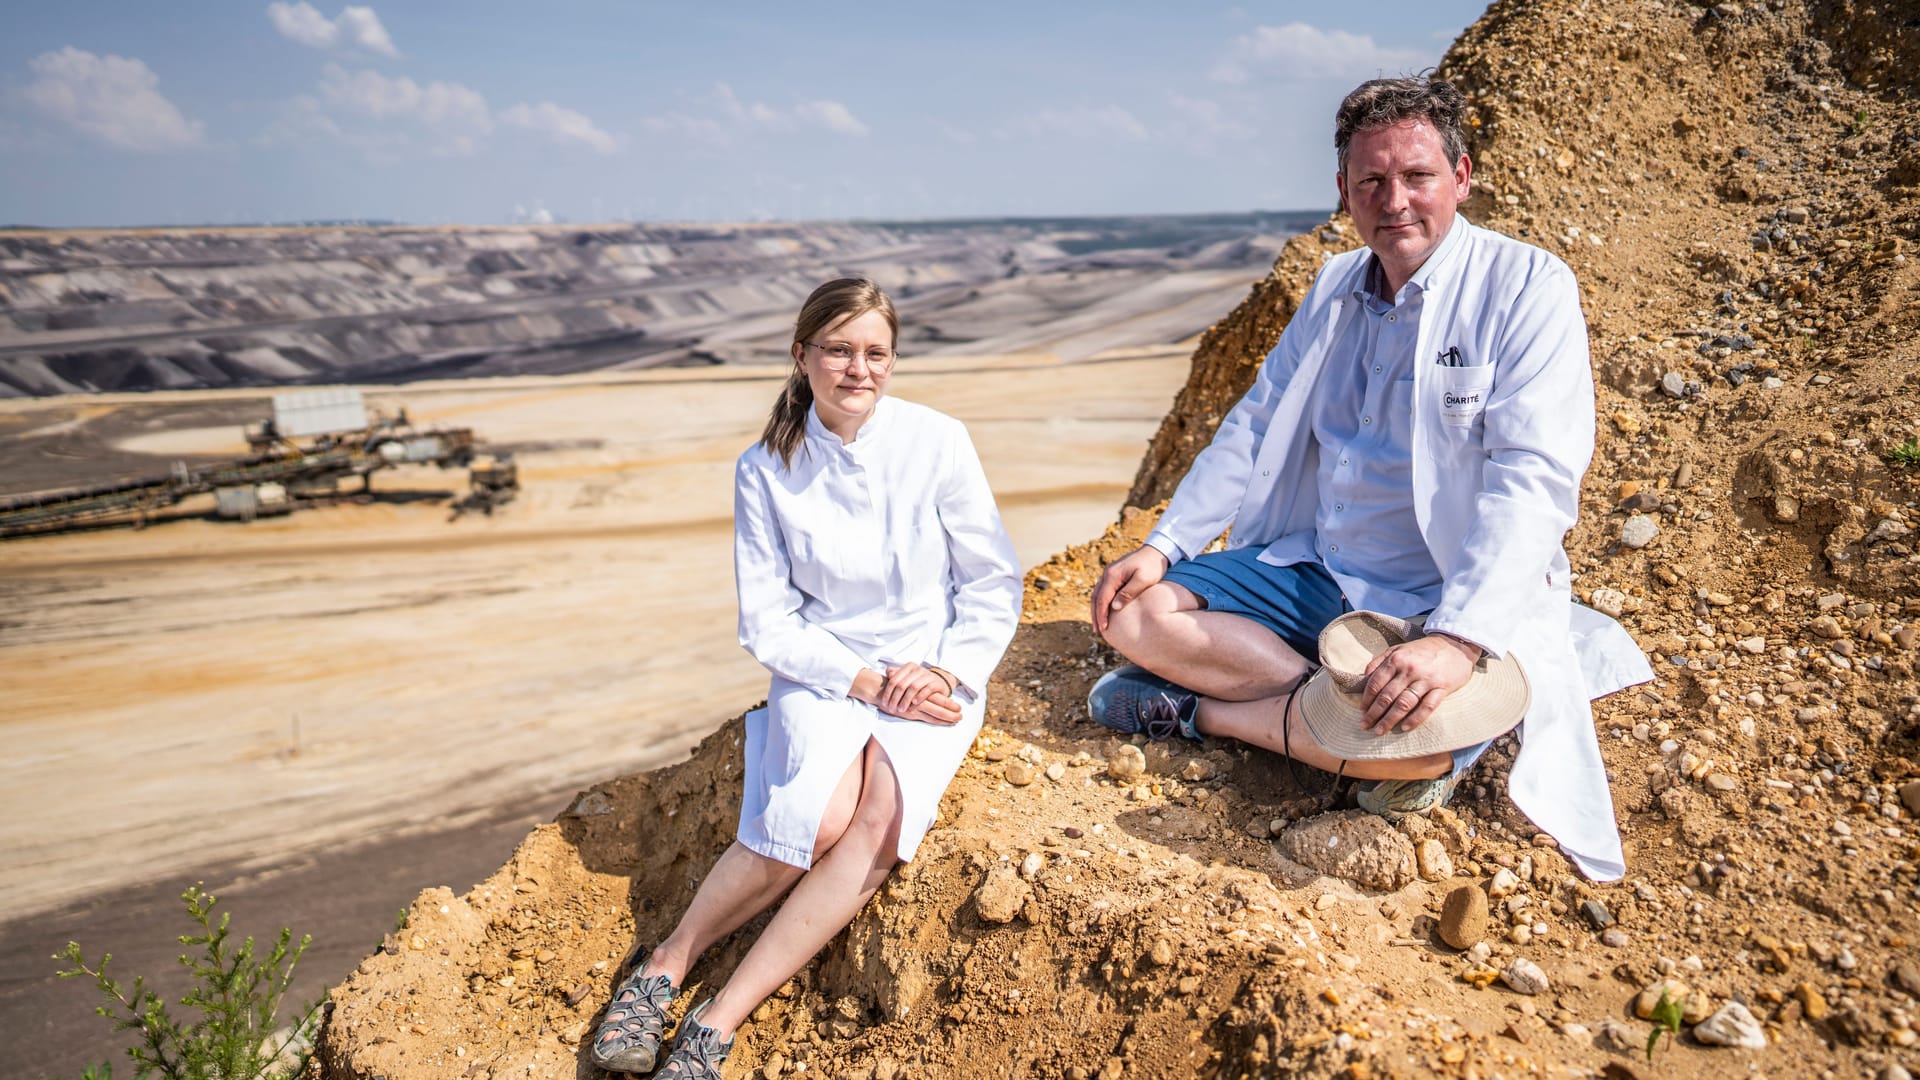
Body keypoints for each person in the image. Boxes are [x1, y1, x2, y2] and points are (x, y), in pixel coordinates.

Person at [1086, 76, 1649, 882]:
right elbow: (1254, 421)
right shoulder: (1333, 288)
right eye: (1371, 181)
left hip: (1433, 595)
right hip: (1323, 569)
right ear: (1343, 192)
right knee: (1131, 610)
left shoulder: (1526, 288)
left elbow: (1533, 480)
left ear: (1460, 177)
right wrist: (1167, 544)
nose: (1395, 200)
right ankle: (1349, 725)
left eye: (1417, 176)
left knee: (1427, 732)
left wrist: (1456, 641)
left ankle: (1201, 712)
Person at [590, 278, 1022, 1077]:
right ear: (802, 356)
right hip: (824, 669)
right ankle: (666, 965)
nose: (859, 369)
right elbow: (768, 622)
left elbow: (991, 581)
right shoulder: (764, 469)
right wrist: (862, 681)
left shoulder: (939, 440)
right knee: (810, 824)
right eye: (839, 350)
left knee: (884, 821)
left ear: (893, 362)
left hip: (934, 667)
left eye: (876, 353)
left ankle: (717, 1024)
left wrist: (945, 671)